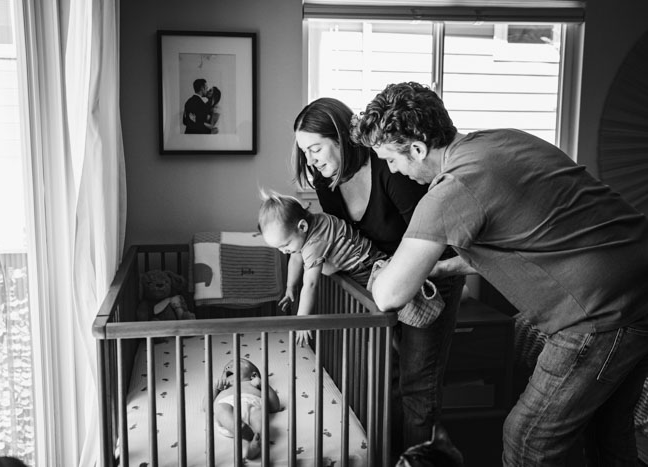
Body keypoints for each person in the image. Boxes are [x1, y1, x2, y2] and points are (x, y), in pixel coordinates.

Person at [352, 81, 648, 466]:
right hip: (639, 286)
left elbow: (389, 295)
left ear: (418, 148)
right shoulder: (498, 142)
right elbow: (522, 238)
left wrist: (380, 271)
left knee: (527, 438)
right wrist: (440, 266)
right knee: (609, 430)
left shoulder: (450, 189)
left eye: (391, 159)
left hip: (599, 313)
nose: (392, 170)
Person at [290, 97, 465, 452]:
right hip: (381, 278)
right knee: (387, 376)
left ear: (339, 137)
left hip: (431, 277)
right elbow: (347, 237)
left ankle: (420, 459)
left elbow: (431, 240)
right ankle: (391, 454)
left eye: (315, 148)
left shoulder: (389, 169)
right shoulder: (327, 180)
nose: (311, 160)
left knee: (418, 383)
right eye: (304, 152)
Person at [258, 190, 444, 346]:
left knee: (389, 313)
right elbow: (295, 257)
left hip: (368, 268)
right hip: (366, 263)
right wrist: (290, 287)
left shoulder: (315, 243)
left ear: (302, 226)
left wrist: (302, 322)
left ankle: (405, 332)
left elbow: (311, 283)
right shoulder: (310, 227)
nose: (284, 251)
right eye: (280, 248)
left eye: (285, 245)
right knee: (387, 316)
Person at [209, 358, 280, 460]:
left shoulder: (253, 384)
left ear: (253, 375)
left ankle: (254, 444)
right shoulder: (223, 388)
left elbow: (275, 406)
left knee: (259, 414)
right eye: (225, 368)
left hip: (253, 404)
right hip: (228, 407)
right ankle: (238, 427)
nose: (228, 367)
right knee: (221, 408)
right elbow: (206, 407)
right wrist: (214, 388)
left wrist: (263, 384)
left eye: (236, 363)